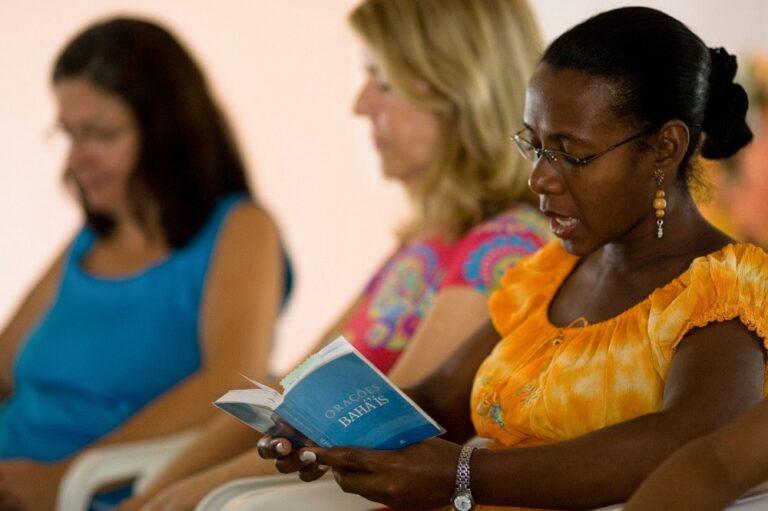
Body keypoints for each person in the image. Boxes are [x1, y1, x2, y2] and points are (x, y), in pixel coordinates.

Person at [259, 6, 768, 511]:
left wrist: (463, 476)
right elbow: (442, 399)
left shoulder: (726, 288)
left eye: (570, 153)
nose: (540, 178)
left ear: (664, 148)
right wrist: (333, 425)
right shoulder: (552, 273)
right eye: (535, 145)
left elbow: (691, 439)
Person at [118, 0, 549, 509]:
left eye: (382, 81)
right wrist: (156, 490)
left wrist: (195, 492)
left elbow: (390, 428)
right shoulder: (427, 243)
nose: (361, 105)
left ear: (463, 92)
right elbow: (292, 393)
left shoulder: (506, 248)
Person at [0, 18, 292, 511]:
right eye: (68, 135)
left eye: (100, 134)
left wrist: (66, 477)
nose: (75, 159)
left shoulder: (240, 228)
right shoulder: (89, 242)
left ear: (166, 132)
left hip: (84, 492)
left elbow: (236, 385)